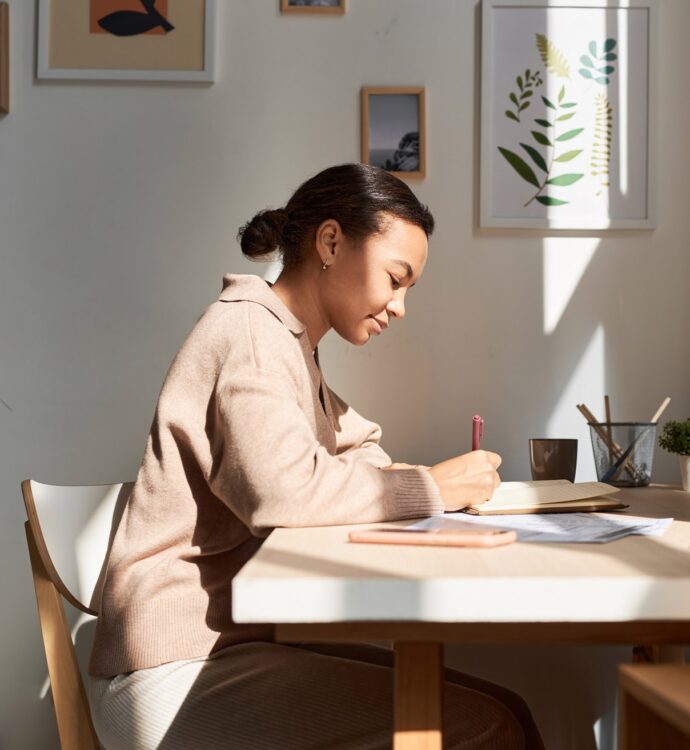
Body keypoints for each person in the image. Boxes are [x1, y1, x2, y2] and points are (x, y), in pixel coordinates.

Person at [87, 163, 544, 749]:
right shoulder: (252, 334)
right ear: (331, 242)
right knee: (488, 727)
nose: (400, 307)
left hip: (225, 645)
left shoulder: (289, 345)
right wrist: (431, 488)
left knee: (507, 709)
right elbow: (282, 492)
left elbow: (360, 447)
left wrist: (419, 481)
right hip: (169, 669)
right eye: (395, 278)